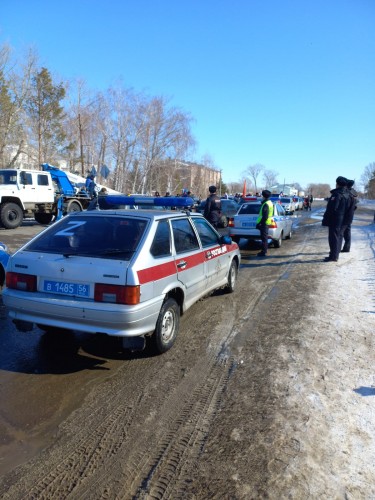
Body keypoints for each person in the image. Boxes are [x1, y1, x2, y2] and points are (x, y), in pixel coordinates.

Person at [322, 176, 351, 262]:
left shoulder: (337, 194)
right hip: (343, 219)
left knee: (333, 238)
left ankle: (333, 256)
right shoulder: (347, 194)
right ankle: (334, 254)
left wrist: (327, 218)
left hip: (335, 220)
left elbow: (332, 208)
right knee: (338, 237)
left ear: (337, 184)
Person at [255, 190, 274, 257]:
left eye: (262, 195)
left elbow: (265, 216)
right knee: (264, 238)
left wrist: (260, 223)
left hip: (264, 223)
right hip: (266, 223)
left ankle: (263, 252)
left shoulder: (266, 204)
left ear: (263, 196)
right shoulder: (270, 203)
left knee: (264, 238)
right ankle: (264, 250)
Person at [341, 179, 358, 252]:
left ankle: (338, 248)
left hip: (345, 214)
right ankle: (347, 248)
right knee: (347, 232)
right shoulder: (354, 192)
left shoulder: (347, 192)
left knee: (341, 233)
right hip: (350, 214)